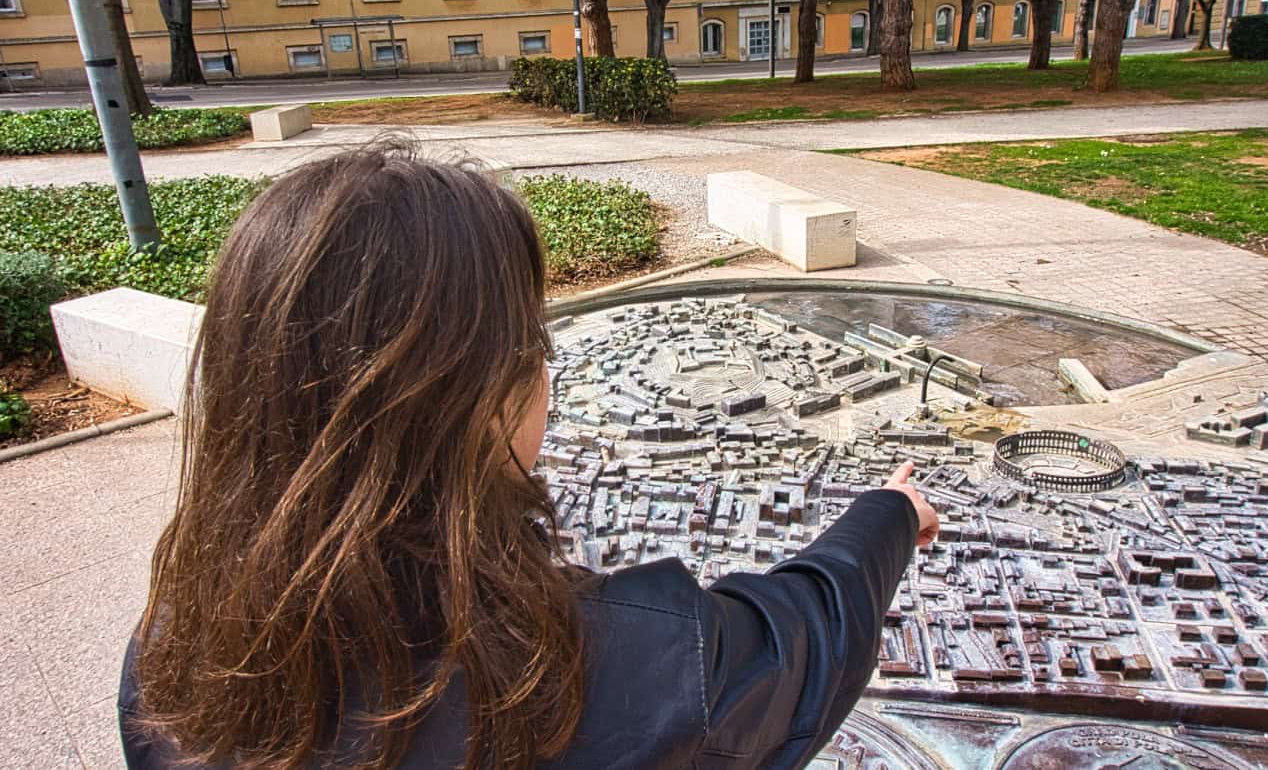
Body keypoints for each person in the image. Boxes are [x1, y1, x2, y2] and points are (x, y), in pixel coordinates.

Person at [118, 144, 940, 770]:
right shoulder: (620, 673)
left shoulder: (174, 657)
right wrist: (892, 514)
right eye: (530, 348)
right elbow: (805, 636)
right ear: (480, 399)